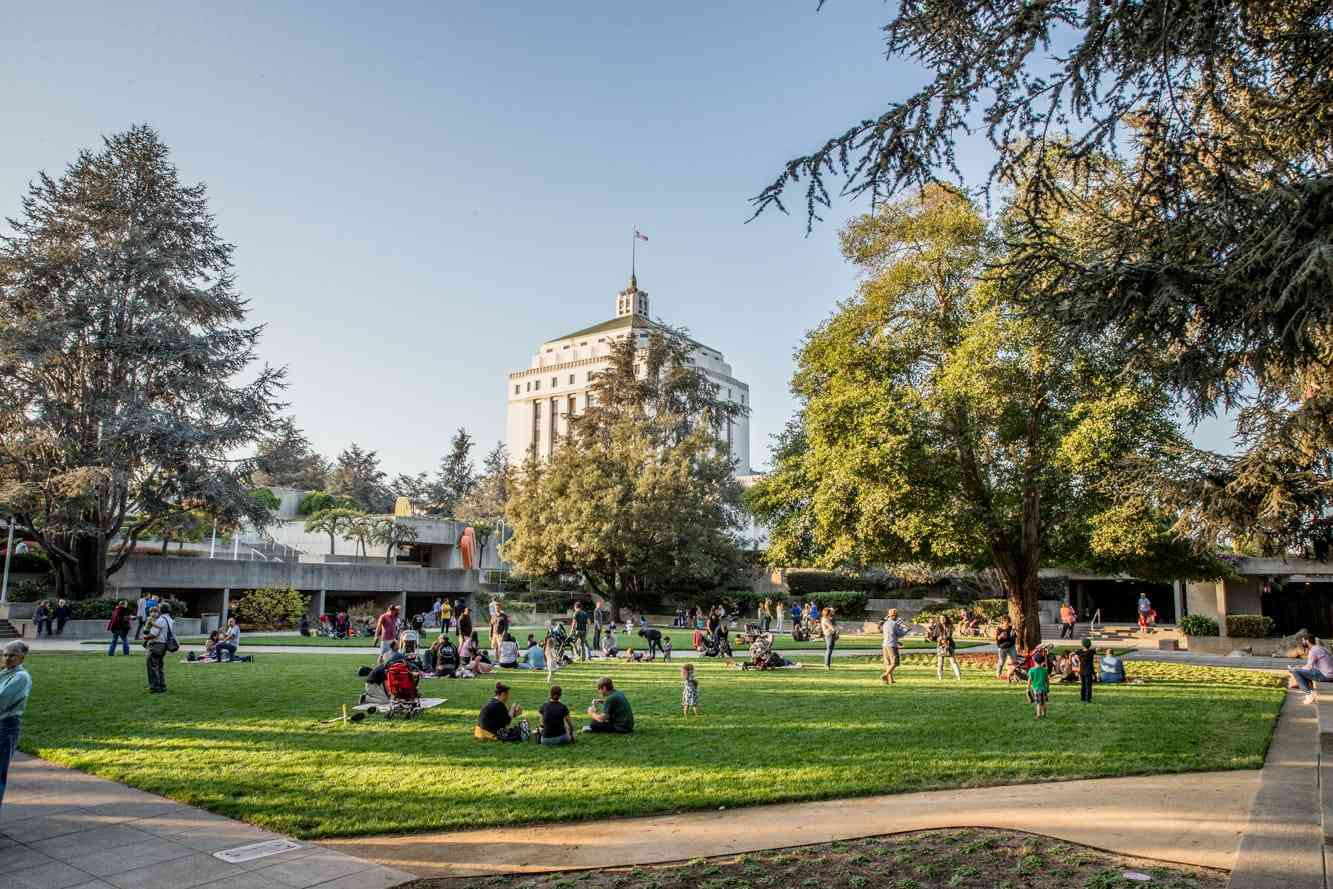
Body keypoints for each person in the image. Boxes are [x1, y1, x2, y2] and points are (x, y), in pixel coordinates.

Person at [1, 641, 33, 811]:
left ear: (22, 657)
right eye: (5, 654)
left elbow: (2, 699)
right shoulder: (6, 673)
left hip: (6, 726)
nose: (7, 658)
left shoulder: (20, 677)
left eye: (12, 655)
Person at [1290, 636, 1333, 704]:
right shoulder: (1321, 648)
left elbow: (1309, 667)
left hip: (1326, 675)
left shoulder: (1313, 650)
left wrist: (1296, 669)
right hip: (1329, 674)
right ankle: (1310, 691)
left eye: (1303, 641)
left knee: (1296, 671)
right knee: (1304, 672)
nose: (1302, 643)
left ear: (1307, 641)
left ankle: (1309, 694)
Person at [143, 603, 175, 694]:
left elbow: (153, 634)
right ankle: (162, 686)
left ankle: (155, 688)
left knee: (152, 666)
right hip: (164, 645)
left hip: (156, 644)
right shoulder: (170, 620)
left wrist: (145, 637)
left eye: (159, 608)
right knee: (159, 666)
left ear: (161, 610)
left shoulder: (161, 620)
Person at [880, 608, 909, 684]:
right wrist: (906, 630)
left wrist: (898, 641)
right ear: (893, 616)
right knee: (895, 663)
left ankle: (890, 680)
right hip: (892, 646)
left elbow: (889, 635)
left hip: (885, 645)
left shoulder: (885, 623)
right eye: (896, 615)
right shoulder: (894, 623)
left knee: (888, 663)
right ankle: (885, 675)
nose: (897, 616)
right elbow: (900, 634)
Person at [932, 616, 961, 680]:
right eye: (941, 618)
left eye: (943, 618)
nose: (942, 619)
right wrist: (937, 638)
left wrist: (943, 638)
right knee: (940, 662)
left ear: (946, 619)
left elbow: (949, 635)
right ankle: (940, 676)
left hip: (949, 645)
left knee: (953, 661)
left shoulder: (949, 626)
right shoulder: (937, 626)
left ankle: (958, 676)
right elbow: (934, 636)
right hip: (940, 645)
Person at [1027, 649, 1050, 719]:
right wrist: (1048, 687)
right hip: (1044, 689)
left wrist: (1028, 688)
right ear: (1042, 661)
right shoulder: (1045, 670)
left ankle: (1038, 715)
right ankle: (1044, 714)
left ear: (1034, 661)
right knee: (1044, 702)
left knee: (1038, 703)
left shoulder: (1032, 670)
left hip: (1036, 689)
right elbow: (1047, 680)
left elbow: (1030, 680)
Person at [1076, 638, 1097, 703]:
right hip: (1088, 671)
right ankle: (1087, 699)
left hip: (1082, 671)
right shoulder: (1091, 652)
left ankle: (1083, 698)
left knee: (1083, 685)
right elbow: (1096, 650)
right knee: (1088, 686)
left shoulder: (1079, 652)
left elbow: (1076, 652)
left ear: (1082, 645)